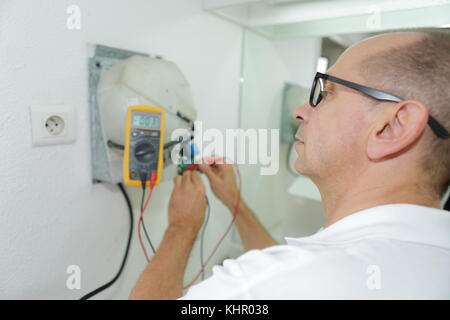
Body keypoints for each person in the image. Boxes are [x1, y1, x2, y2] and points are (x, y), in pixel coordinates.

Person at [129, 30, 450, 300]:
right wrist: (233, 200)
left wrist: (180, 229)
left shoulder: (275, 283)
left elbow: (284, 278)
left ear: (392, 127)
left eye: (326, 93)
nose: (299, 111)